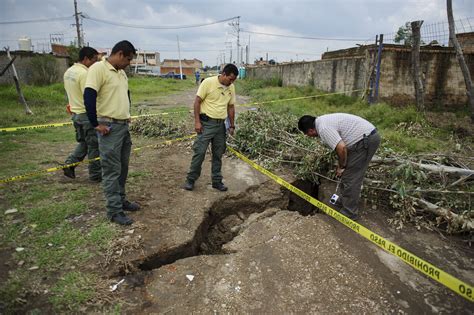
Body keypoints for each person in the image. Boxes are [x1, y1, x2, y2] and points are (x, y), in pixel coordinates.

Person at [84, 40, 140, 226]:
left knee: (122, 167)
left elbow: (126, 95)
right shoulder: (98, 69)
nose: (129, 63)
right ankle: (114, 210)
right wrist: (94, 124)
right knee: (111, 170)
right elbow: (89, 95)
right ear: (120, 54)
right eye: (129, 59)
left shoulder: (121, 73)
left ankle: (121, 200)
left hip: (123, 126)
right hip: (108, 127)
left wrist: (127, 114)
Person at [298, 114, 381, 220]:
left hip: (365, 140)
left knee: (351, 177)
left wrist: (341, 166)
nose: (308, 136)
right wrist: (341, 164)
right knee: (348, 175)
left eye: (307, 134)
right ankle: (345, 201)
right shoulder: (322, 121)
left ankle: (349, 212)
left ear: (310, 131)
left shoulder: (323, 128)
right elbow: (341, 149)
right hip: (362, 138)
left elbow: (341, 148)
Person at [184, 64, 238, 192]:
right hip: (206, 124)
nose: (231, 82)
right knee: (200, 152)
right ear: (224, 74)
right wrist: (197, 122)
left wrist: (231, 125)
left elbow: (231, 107)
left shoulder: (231, 88)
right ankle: (190, 180)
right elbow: (197, 102)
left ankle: (217, 181)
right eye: (230, 79)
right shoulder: (208, 83)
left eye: (234, 80)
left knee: (218, 154)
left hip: (221, 126)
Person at [63, 46, 101, 181]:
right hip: (86, 115)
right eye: (94, 60)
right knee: (94, 146)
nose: (95, 63)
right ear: (86, 59)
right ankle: (96, 175)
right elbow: (89, 97)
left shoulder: (69, 72)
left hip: (75, 114)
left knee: (85, 143)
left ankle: (69, 164)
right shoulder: (85, 74)